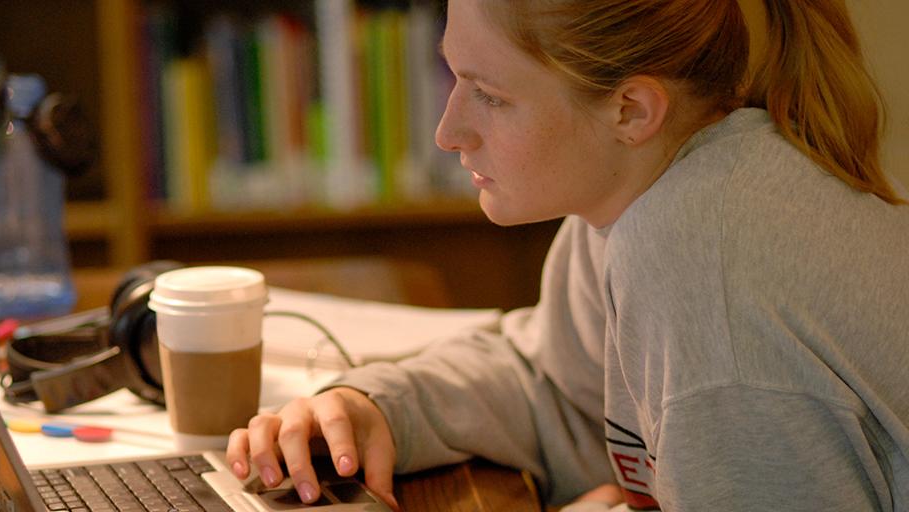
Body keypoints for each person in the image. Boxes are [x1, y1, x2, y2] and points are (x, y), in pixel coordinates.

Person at [226, 0, 909, 510]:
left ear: (631, 110)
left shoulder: (705, 273)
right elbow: (553, 382)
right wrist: (377, 407)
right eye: (453, 76)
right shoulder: (651, 184)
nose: (447, 131)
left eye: (490, 95)